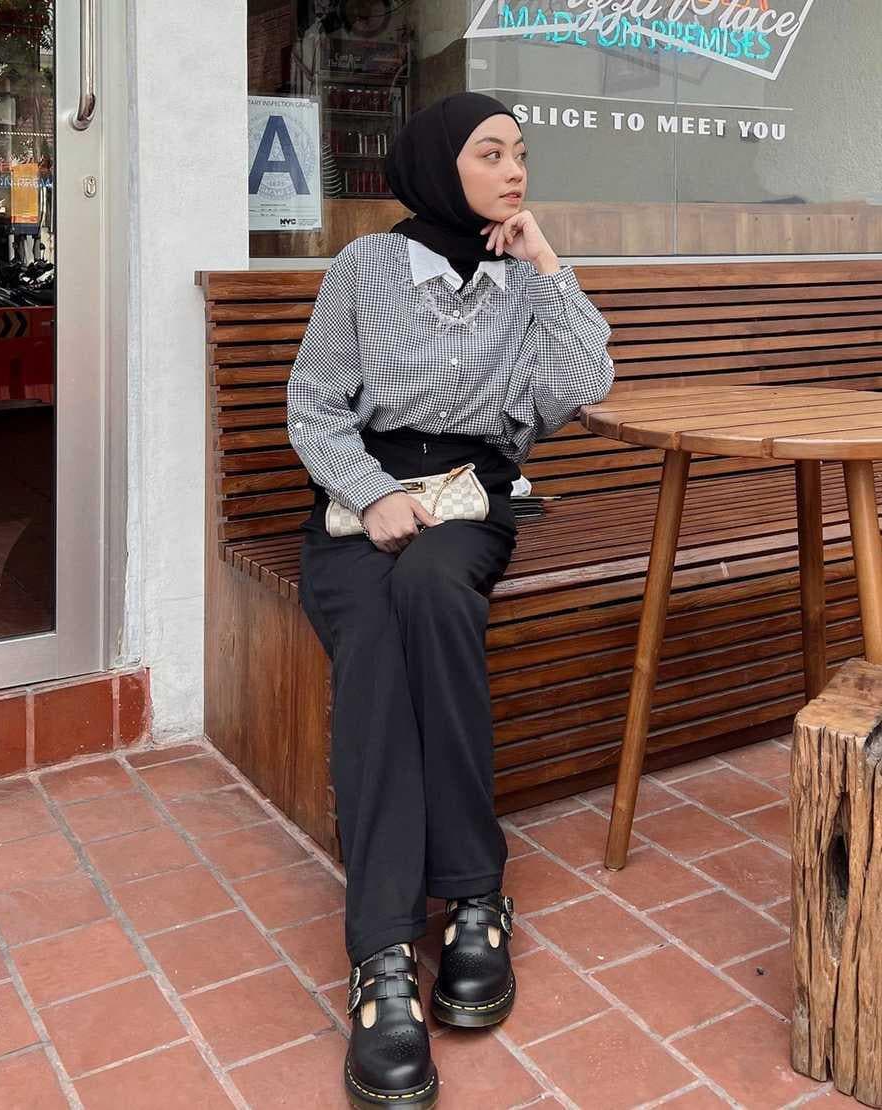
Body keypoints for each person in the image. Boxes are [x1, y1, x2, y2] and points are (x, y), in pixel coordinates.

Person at [286, 91, 614, 1108]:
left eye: (521, 154)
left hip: (472, 503)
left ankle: (472, 895)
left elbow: (584, 381)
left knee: (434, 590)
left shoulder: (520, 281)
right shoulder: (364, 268)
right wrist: (372, 493)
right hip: (359, 510)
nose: (515, 171)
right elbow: (313, 406)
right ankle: (389, 947)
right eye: (491, 153)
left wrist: (547, 264)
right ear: (439, 164)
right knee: (376, 639)